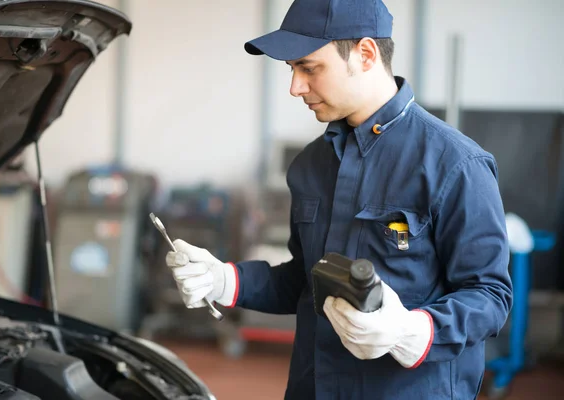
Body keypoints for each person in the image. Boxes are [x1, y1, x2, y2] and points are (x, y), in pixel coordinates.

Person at [165, 0, 514, 398]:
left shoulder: (455, 164)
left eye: (309, 67)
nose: (295, 87)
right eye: (292, 70)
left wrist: (411, 332)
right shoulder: (310, 166)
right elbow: (305, 279)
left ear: (365, 54)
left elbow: (490, 296)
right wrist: (224, 279)